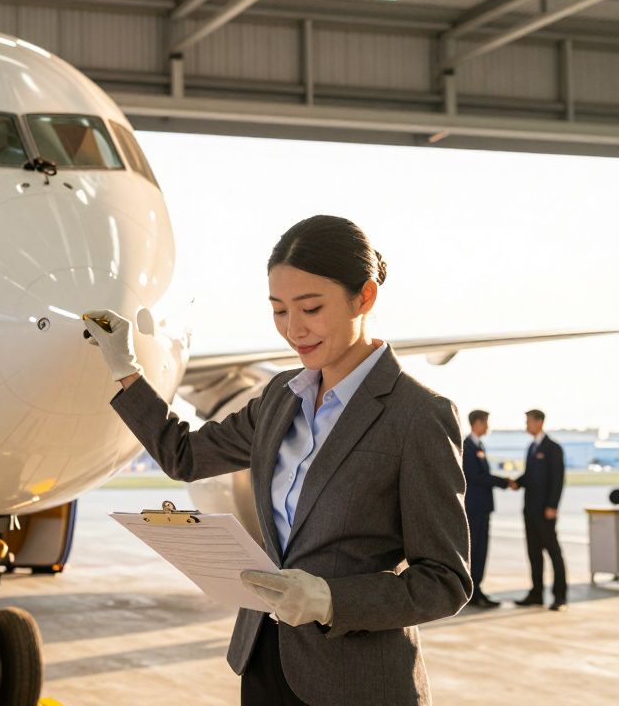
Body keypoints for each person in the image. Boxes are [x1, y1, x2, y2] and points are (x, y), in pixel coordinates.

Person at [84, 215, 470, 706]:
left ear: (365, 297)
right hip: (264, 664)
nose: (294, 329)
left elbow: (445, 581)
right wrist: (126, 370)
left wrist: (330, 601)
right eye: (279, 310)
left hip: (356, 683)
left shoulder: (418, 416)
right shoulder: (279, 399)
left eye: (310, 308)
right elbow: (183, 455)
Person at [514, 408, 568, 611]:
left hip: (546, 511)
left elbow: (558, 479)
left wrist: (552, 506)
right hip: (530, 510)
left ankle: (560, 596)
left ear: (539, 422)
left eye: (528, 421)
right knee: (534, 553)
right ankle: (536, 593)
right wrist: (514, 483)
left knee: (554, 553)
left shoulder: (553, 448)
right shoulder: (531, 448)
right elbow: (529, 477)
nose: (526, 425)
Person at [463, 409, 515, 608]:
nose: (488, 427)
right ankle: (473, 592)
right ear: (477, 423)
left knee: (481, 550)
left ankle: (477, 589)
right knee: (475, 550)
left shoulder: (479, 445)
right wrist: (504, 482)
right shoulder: (467, 447)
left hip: (482, 507)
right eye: (486, 422)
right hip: (475, 508)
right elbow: (476, 477)